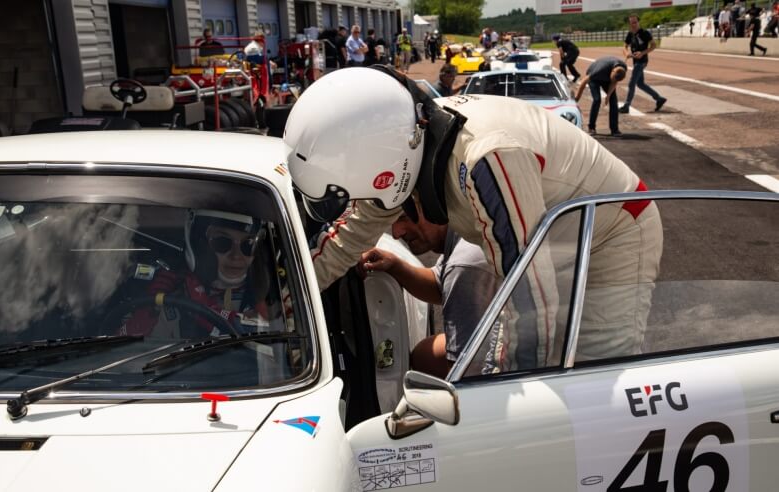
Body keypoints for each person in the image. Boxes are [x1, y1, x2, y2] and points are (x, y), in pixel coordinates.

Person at [284, 66, 663, 369]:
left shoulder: (486, 157)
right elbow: (342, 244)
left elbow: (528, 290)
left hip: (613, 230)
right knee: (549, 360)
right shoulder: (403, 144)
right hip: (554, 235)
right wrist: (279, 303)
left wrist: (500, 389)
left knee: (597, 373)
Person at [357, 200, 501, 379]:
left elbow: (466, 374)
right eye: (391, 224)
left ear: (433, 205)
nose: (396, 233)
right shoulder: (465, 229)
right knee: (425, 356)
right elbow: (439, 285)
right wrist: (394, 266)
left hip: (516, 362)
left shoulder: (463, 265)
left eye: (404, 218)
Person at [121, 210, 274, 338]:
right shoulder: (177, 296)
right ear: (200, 245)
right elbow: (124, 355)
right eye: (222, 242)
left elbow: (273, 337)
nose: (236, 256)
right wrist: (148, 310)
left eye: (248, 245)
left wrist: (205, 310)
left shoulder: (276, 294)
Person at [620, 14, 667, 114]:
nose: (633, 24)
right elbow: (624, 46)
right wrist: (627, 53)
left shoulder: (644, 33)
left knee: (631, 83)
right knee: (640, 84)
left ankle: (627, 105)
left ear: (638, 22)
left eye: (635, 22)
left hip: (642, 61)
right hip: (635, 61)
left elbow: (654, 45)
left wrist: (642, 53)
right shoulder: (630, 34)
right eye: (631, 23)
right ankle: (659, 99)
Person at [574, 56, 627, 137]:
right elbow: (584, 81)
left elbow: (614, 82)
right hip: (594, 79)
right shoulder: (599, 70)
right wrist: (577, 97)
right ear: (612, 71)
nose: (613, 80)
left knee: (613, 102)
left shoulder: (622, 69)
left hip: (606, 79)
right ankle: (591, 127)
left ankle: (614, 129)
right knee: (597, 100)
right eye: (612, 78)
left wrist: (608, 96)